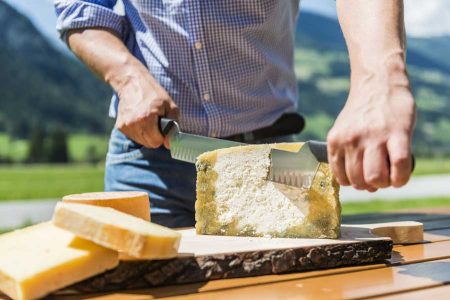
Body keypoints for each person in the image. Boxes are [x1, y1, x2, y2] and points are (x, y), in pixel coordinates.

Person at [54, 0, 416, 227]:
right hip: (149, 161)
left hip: (272, 160)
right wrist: (128, 77)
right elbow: (80, 7)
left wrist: (379, 79)